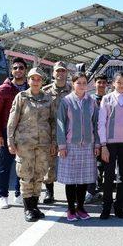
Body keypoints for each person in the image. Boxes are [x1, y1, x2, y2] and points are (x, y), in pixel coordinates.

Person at [7, 68, 56, 222]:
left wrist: (54, 141)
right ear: (28, 80)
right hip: (24, 145)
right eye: (32, 79)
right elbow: (12, 120)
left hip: (43, 144)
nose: (35, 81)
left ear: (42, 81)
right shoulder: (21, 97)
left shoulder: (48, 99)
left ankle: (35, 207)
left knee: (39, 175)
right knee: (26, 175)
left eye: (38, 79)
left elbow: (53, 122)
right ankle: (28, 209)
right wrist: (10, 140)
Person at [56, 73, 101, 221]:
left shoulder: (91, 101)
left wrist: (97, 143)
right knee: (71, 179)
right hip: (70, 145)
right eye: (78, 83)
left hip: (88, 145)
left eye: (84, 83)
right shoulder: (66, 101)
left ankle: (80, 208)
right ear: (73, 83)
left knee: (83, 179)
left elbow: (96, 124)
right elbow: (60, 124)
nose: (82, 85)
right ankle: (71, 209)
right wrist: (61, 145)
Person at [98, 72, 123, 219]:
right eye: (119, 82)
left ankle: (119, 207)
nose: (121, 85)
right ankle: (106, 207)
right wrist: (103, 145)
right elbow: (101, 123)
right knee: (108, 176)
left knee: (122, 177)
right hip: (109, 144)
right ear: (113, 83)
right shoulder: (106, 99)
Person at [0, 58, 28, 208]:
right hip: (8, 134)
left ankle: (19, 194)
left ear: (25, 70)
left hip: (26, 133)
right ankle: (2, 195)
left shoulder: (29, 88)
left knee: (22, 165)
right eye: (15, 68)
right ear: (11, 70)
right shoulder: (4, 89)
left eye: (21, 67)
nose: (18, 70)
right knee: (5, 165)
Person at [41, 61, 72, 204]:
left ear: (67, 73)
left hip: (68, 131)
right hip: (50, 131)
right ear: (53, 73)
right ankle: (49, 192)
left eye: (63, 71)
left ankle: (72, 193)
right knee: (50, 162)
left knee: (70, 162)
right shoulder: (45, 91)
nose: (60, 73)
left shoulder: (72, 90)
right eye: (57, 71)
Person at [86, 74, 108, 203]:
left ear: (107, 84)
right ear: (95, 84)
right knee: (92, 165)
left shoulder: (109, 98)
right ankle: (91, 191)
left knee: (105, 165)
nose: (101, 85)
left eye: (103, 82)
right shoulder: (89, 99)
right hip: (93, 138)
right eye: (99, 82)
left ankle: (102, 189)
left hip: (106, 138)